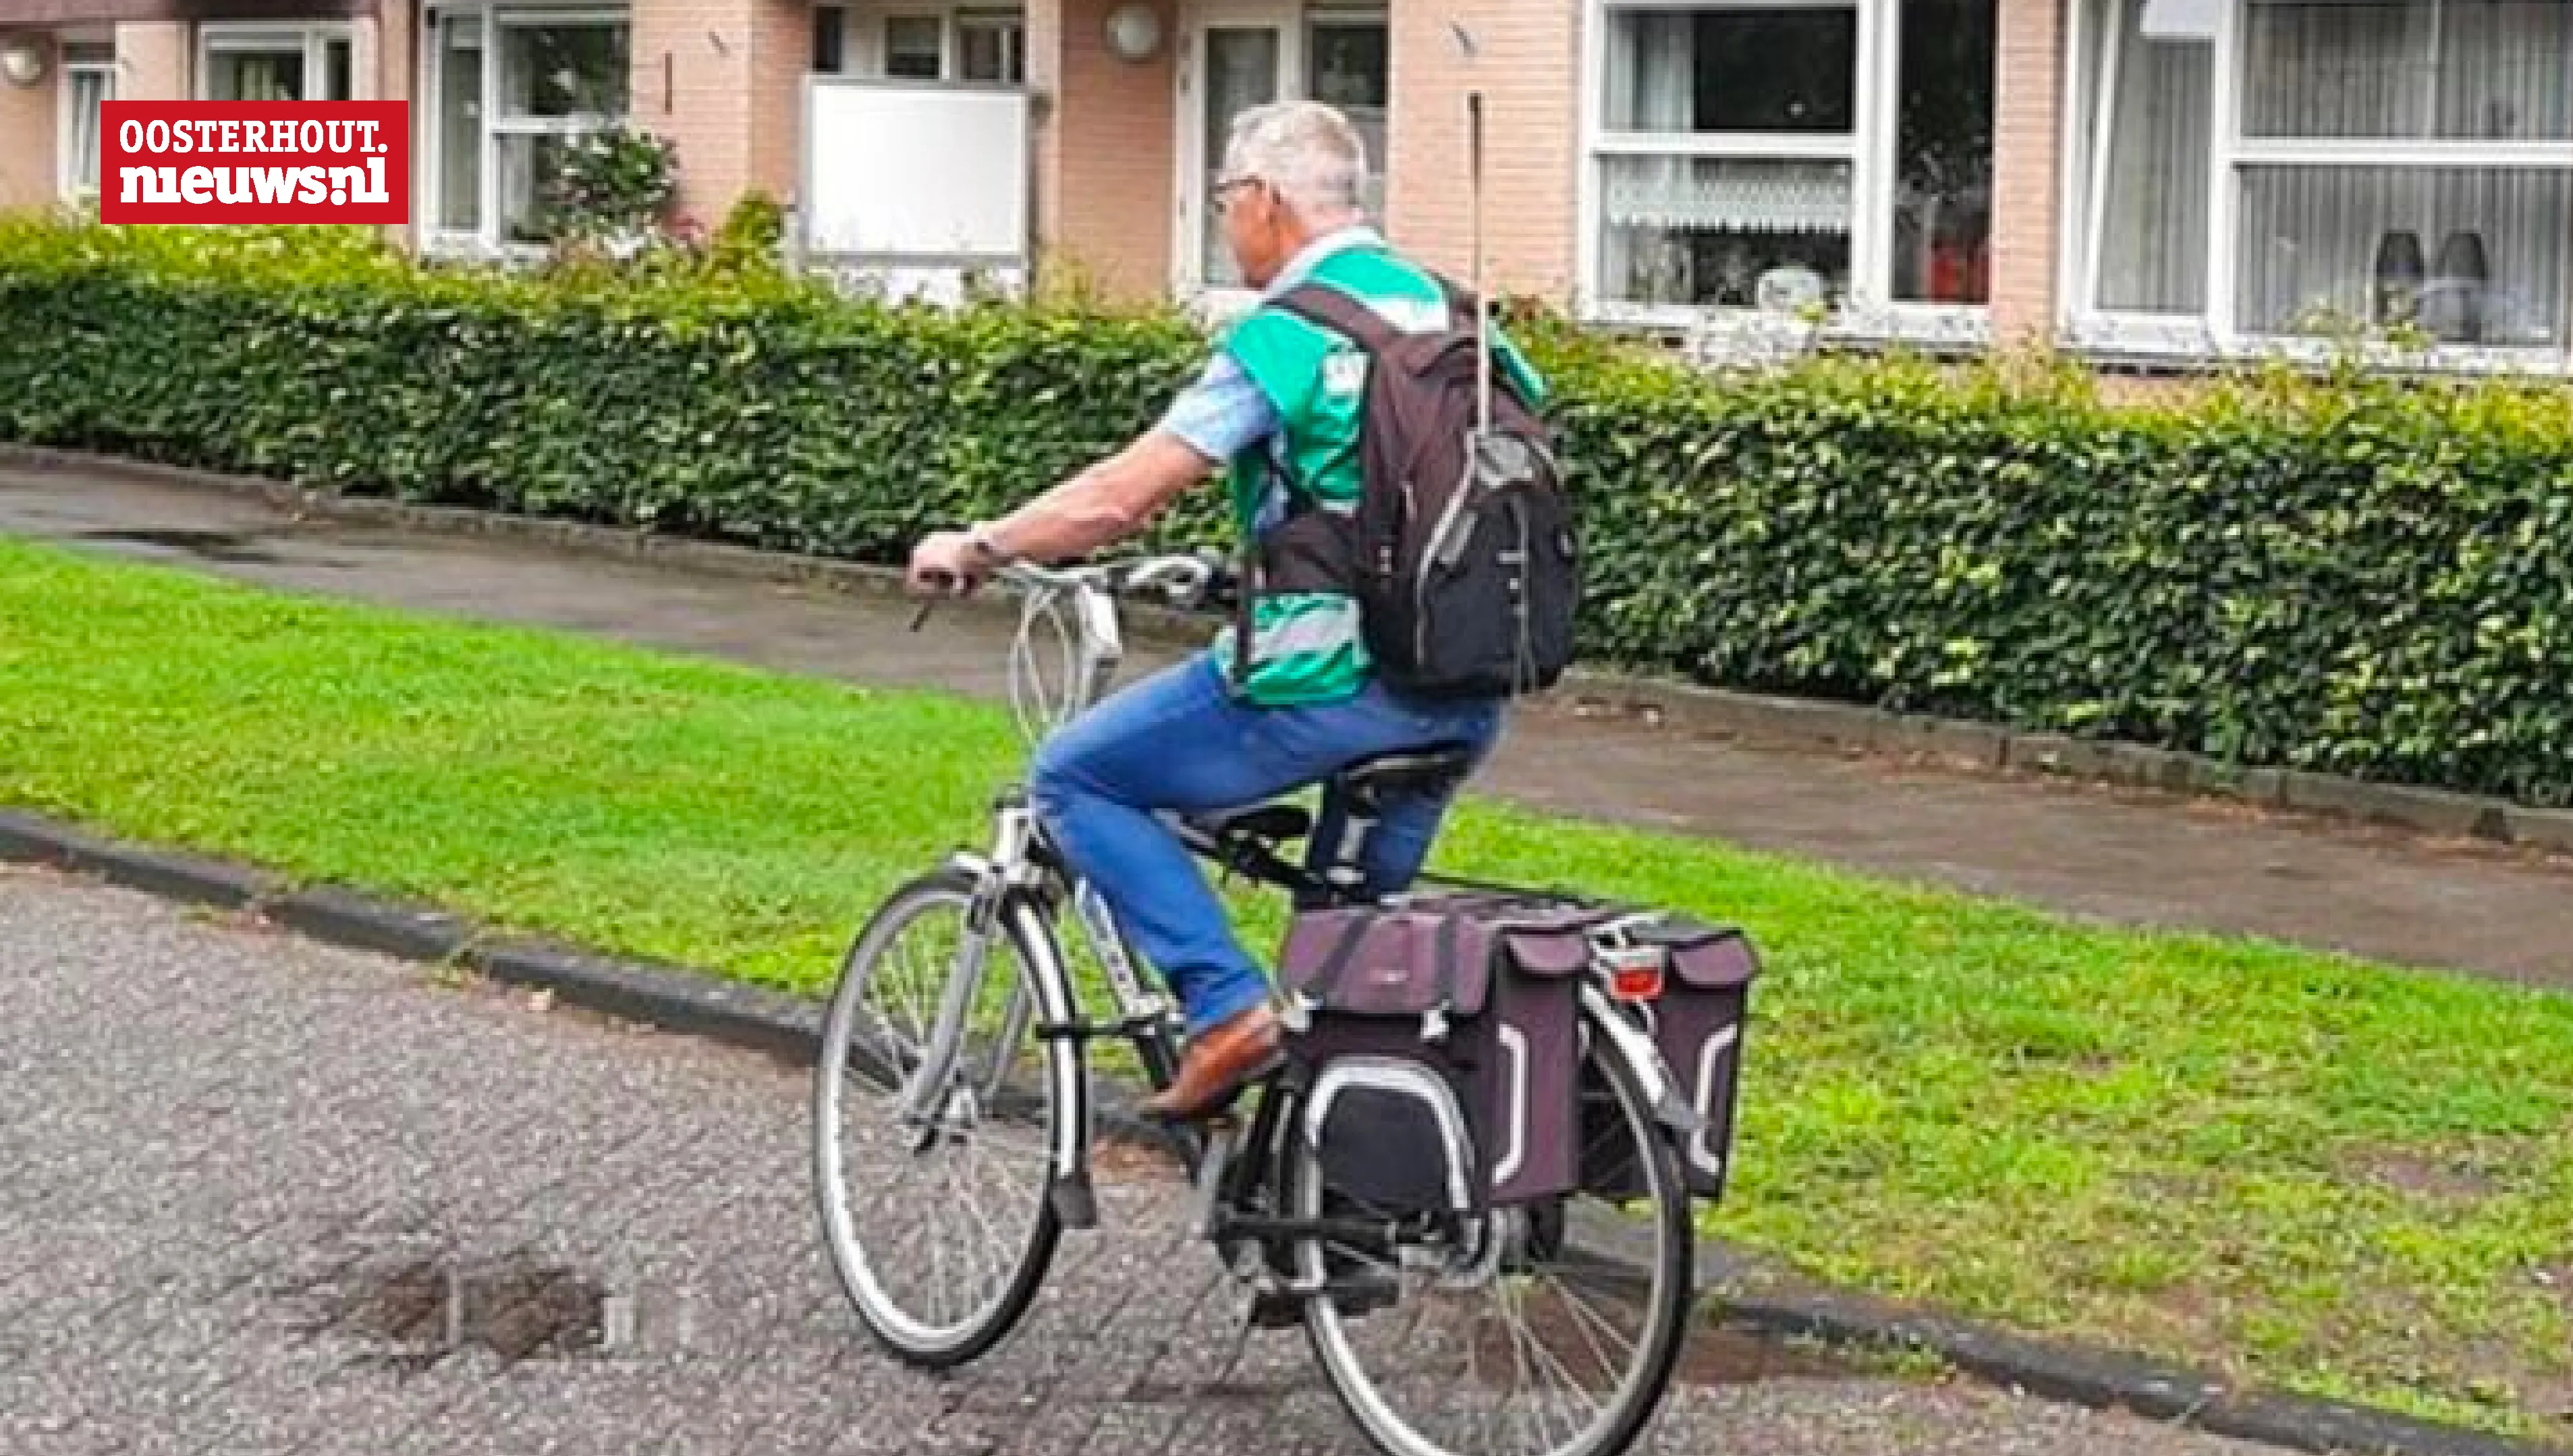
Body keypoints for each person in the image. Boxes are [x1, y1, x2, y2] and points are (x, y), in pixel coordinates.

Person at [904, 99, 1546, 1122]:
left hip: (1327, 688)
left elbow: (1119, 497)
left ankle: (1221, 1007)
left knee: (1075, 776)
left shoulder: (1292, 333)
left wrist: (979, 546)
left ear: (1263, 200)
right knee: (1349, 977)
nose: (1220, 221)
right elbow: (1406, 502)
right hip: (1466, 692)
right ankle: (1323, 1244)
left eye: (1222, 200)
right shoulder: (1460, 319)